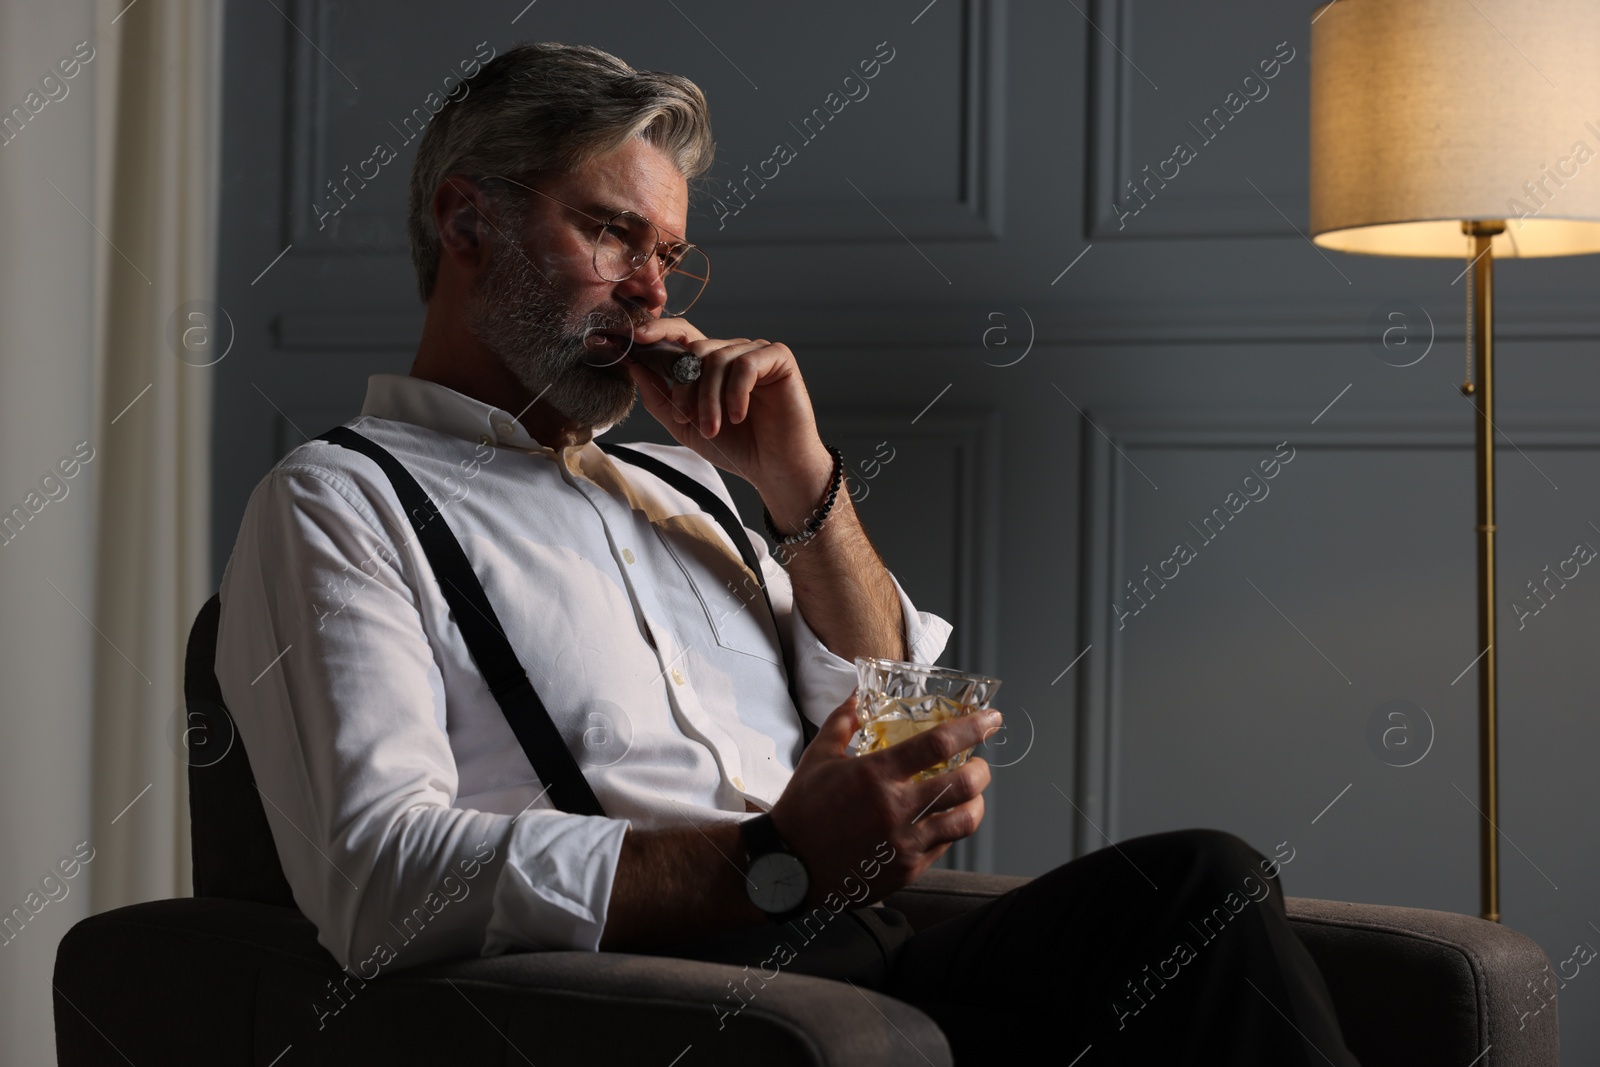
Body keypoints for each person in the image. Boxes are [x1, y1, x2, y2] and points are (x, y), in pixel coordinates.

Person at [215, 41, 1360, 1066]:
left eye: (666, 251)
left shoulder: (690, 485)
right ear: (468, 222)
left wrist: (801, 485)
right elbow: (378, 879)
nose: (653, 289)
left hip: (864, 965)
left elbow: (903, 732)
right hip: (655, 1011)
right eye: (612, 230)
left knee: (1198, 891)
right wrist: (768, 855)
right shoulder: (338, 500)